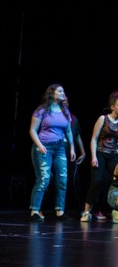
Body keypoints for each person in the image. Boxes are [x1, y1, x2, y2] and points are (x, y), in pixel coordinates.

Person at [29, 83, 76, 222]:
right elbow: (32, 130)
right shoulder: (42, 110)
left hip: (60, 148)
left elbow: (68, 131)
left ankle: (60, 211)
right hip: (44, 147)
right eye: (60, 91)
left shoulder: (65, 111)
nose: (63, 93)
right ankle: (35, 210)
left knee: (62, 179)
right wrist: (39, 145)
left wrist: (72, 147)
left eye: (63, 91)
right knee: (44, 179)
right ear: (52, 93)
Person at [80, 91, 118, 222]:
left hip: (114, 156)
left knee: (111, 183)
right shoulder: (103, 119)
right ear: (112, 107)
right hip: (100, 153)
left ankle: (107, 210)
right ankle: (86, 211)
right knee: (97, 181)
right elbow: (94, 139)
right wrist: (94, 157)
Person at [63, 96, 86, 212]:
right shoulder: (51, 116)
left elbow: (77, 135)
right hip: (56, 151)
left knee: (74, 181)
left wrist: (83, 152)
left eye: (67, 101)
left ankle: (79, 209)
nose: (65, 103)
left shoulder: (73, 118)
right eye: (63, 101)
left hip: (70, 153)